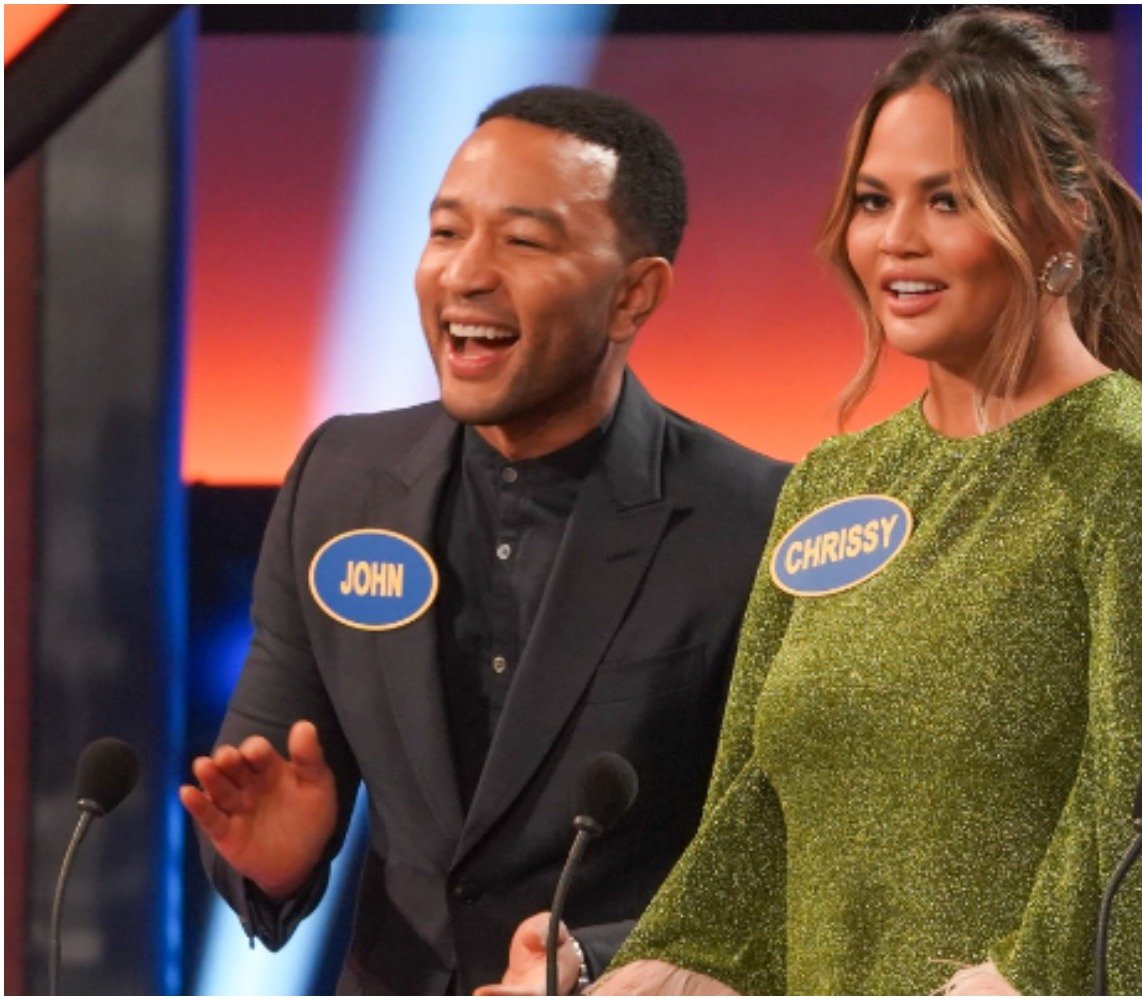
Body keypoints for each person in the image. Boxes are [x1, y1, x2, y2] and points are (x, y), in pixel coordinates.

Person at [587, 9, 1142, 995]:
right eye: (873, 200)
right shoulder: (832, 484)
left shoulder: (1141, 474)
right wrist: (645, 974)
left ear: (1060, 221)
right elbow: (750, 822)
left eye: (946, 200)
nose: (895, 241)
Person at [178, 85, 788, 994]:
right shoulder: (340, 481)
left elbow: (782, 860)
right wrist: (270, 862)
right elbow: (263, 781)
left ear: (634, 295)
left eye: (523, 241)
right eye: (446, 231)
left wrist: (596, 959)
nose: (465, 273)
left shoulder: (752, 515)